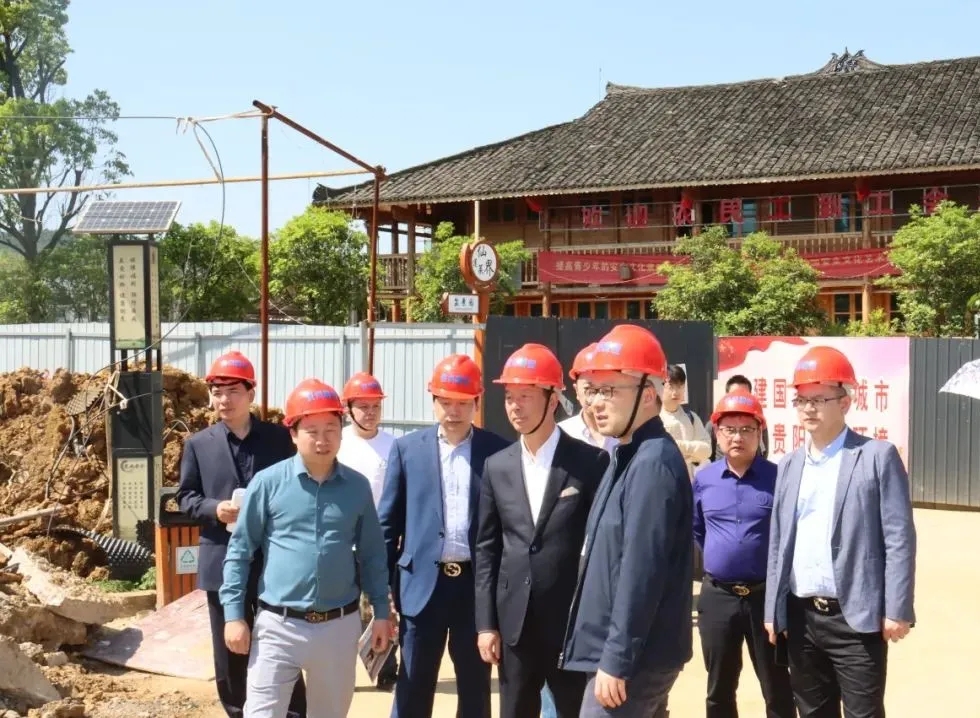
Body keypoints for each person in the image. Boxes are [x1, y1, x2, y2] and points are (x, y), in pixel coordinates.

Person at [221, 378, 393, 718]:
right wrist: (234, 616)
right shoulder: (267, 484)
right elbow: (239, 552)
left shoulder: (357, 488)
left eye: (331, 429)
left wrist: (382, 614)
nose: (322, 440)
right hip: (277, 626)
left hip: (338, 627)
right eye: (312, 431)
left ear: (342, 432)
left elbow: (373, 555)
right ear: (293, 433)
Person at [765, 346, 916, 718]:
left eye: (819, 399)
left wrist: (897, 608)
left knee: (864, 712)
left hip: (856, 618)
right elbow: (778, 542)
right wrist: (773, 609)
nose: (808, 408)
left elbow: (899, 537)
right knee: (813, 712)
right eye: (802, 400)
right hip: (801, 617)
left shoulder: (876, 456)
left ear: (845, 402)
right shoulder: (789, 465)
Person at [561, 324, 693, 717]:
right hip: (626, 651)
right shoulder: (628, 453)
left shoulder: (652, 462)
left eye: (610, 391)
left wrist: (617, 659)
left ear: (648, 394)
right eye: (594, 390)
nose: (596, 403)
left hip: (634, 660)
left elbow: (641, 570)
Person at [475, 343, 609, 718]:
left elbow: (602, 544)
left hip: (570, 622)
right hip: (514, 623)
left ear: (552, 400)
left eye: (525, 397)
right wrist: (486, 624)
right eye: (509, 397)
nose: (515, 407)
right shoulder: (497, 466)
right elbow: (487, 550)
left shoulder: (589, 461)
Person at [378, 354, 510, 718]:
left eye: (463, 403)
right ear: (433, 401)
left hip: (475, 588)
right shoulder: (407, 449)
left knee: (475, 688)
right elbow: (388, 525)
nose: (454, 411)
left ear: (477, 403)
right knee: (413, 685)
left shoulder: (497, 451)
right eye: (446, 402)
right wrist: (380, 590)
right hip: (421, 586)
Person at [176, 351, 307, 718]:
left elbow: (298, 487)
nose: (224, 400)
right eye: (217, 392)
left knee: (281, 640)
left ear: (251, 393)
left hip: (274, 560)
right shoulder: (199, 444)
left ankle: (292, 712)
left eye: (233, 391)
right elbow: (185, 497)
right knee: (230, 646)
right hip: (222, 558)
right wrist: (215, 509)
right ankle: (237, 710)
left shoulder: (280, 440)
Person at [693, 390, 795, 718]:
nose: (737, 437)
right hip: (718, 597)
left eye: (747, 429)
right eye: (730, 429)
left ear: (759, 432)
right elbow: (697, 530)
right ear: (717, 432)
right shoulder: (704, 479)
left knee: (777, 686)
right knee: (719, 687)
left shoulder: (778, 478)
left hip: (765, 597)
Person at [336, 371, 398, 691]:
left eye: (375, 406)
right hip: (342, 543)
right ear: (348, 409)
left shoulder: (394, 446)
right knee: (343, 611)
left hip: (382, 542)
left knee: (383, 606)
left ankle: (387, 672)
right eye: (363, 406)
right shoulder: (337, 444)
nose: (370, 413)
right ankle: (341, 672)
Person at [557, 342, 618, 453]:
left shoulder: (629, 435)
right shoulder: (561, 435)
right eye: (590, 390)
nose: (598, 401)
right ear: (577, 391)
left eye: (605, 390)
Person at [660, 363, 712, 479]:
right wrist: (691, 454)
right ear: (661, 387)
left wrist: (681, 446)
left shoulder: (691, 417)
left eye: (680, 386)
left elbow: (707, 450)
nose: (676, 392)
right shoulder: (653, 418)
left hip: (688, 483)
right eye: (671, 386)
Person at [708, 375, 769, 460]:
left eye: (746, 430)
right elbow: (708, 454)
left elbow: (763, 452)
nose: (739, 397)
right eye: (730, 430)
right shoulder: (715, 423)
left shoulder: (757, 422)